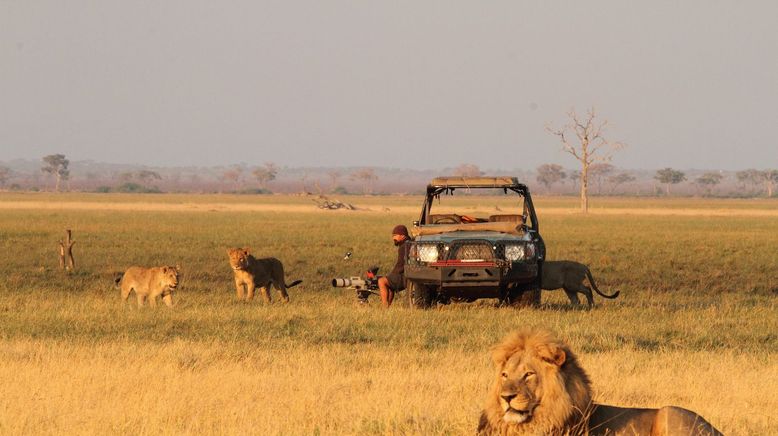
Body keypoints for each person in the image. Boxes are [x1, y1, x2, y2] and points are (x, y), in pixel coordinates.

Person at [377, 224, 410, 307]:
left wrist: (391, 275)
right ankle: (387, 306)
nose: (393, 238)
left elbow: (400, 264)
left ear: (402, 236)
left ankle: (384, 306)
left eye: (395, 235)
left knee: (382, 281)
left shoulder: (403, 247)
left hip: (404, 276)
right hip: (408, 274)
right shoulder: (410, 243)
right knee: (390, 284)